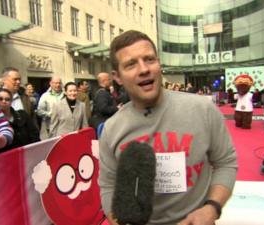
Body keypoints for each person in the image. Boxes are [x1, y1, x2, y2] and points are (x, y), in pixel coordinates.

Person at [98, 30, 237, 225]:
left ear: (159, 63)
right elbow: (108, 185)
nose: (144, 69)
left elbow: (226, 162)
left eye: (149, 59)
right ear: (117, 77)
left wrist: (211, 208)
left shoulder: (203, 109)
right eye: (131, 64)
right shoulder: (112, 129)